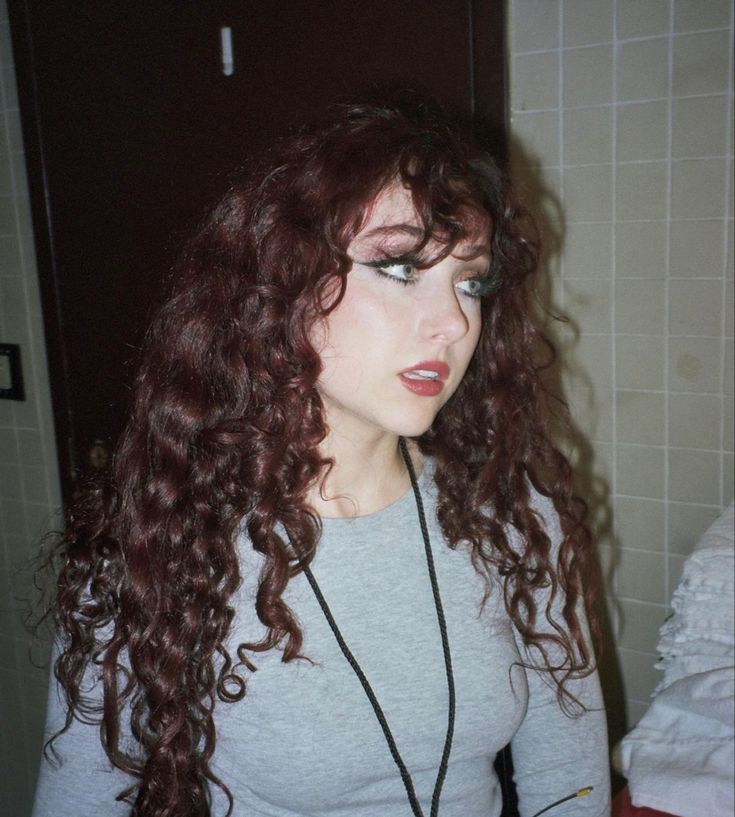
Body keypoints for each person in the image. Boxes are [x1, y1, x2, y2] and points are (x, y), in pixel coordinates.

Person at [31, 98, 610, 817]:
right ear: (283, 283)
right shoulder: (157, 543)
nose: (454, 322)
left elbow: (570, 781)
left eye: (470, 281)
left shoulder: (514, 519)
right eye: (399, 267)